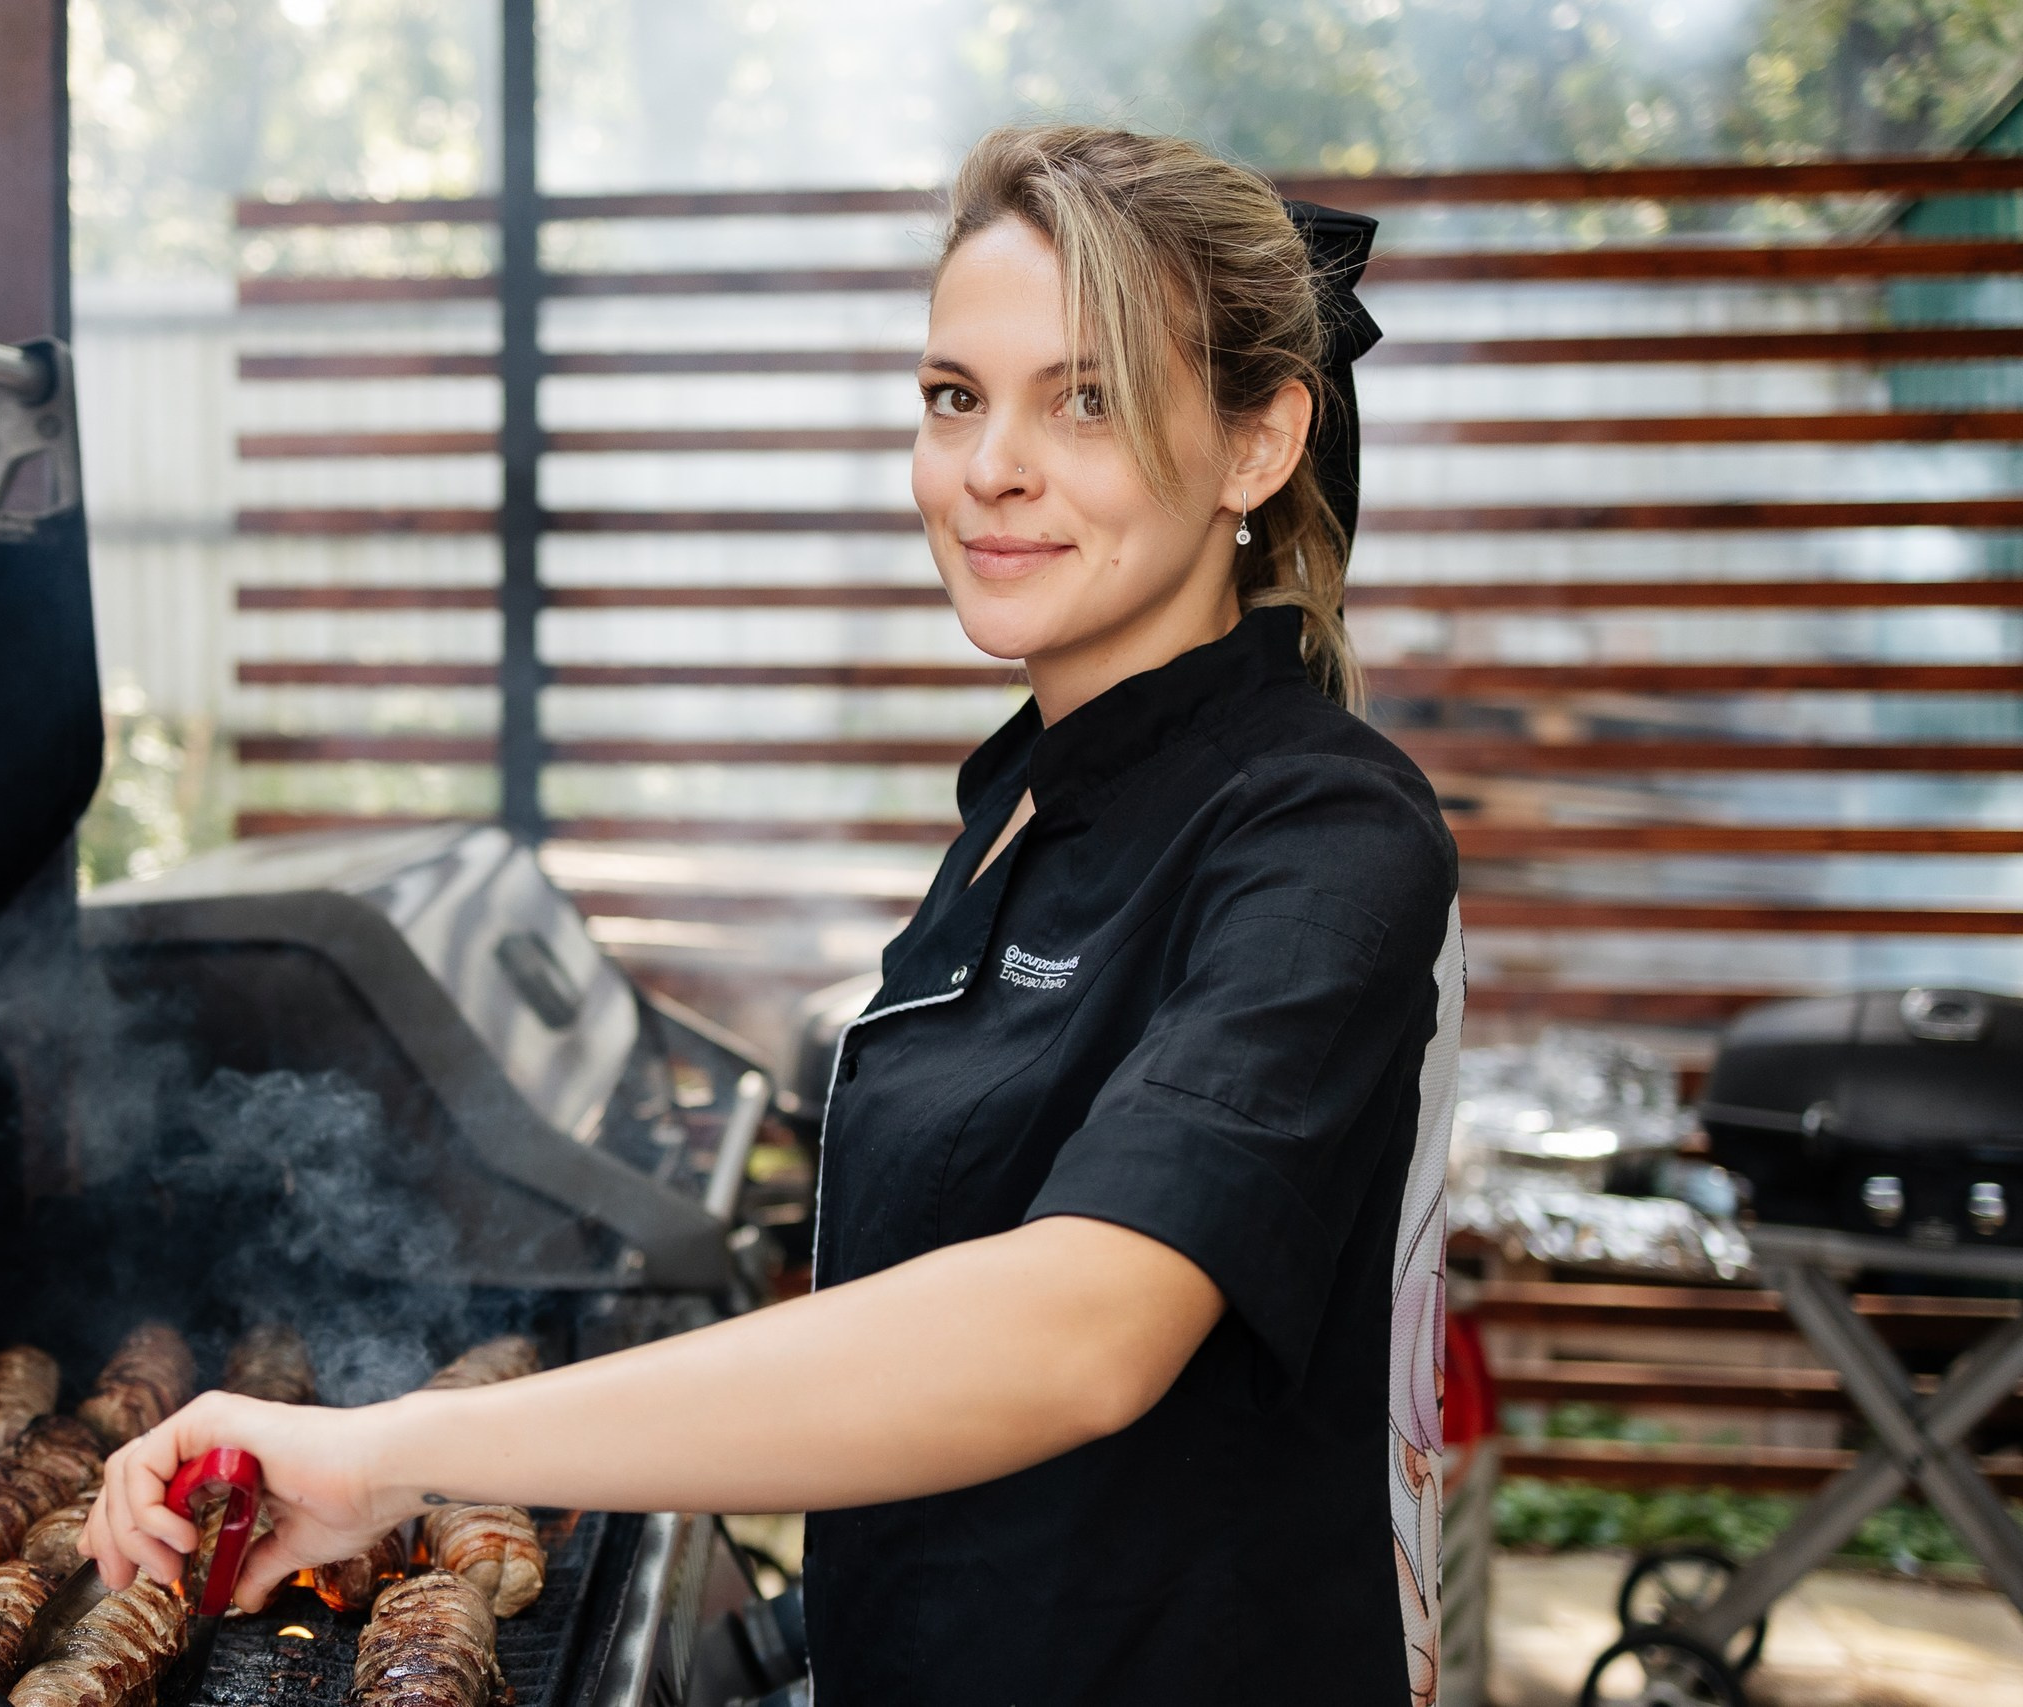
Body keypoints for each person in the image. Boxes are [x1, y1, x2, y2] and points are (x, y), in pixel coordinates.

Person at [85, 124, 1463, 1707]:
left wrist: (391, 1454)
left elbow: (1080, 1330)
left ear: (1257, 443)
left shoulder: (1326, 832)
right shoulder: (1027, 797)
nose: (988, 467)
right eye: (955, 397)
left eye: (1084, 398)